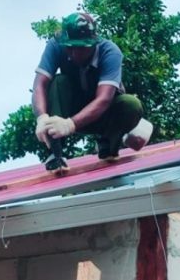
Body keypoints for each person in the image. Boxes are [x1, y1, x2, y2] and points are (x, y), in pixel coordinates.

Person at [32, 12, 153, 172]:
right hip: (71, 110)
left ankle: (108, 145)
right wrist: (42, 117)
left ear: (93, 43)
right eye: (70, 48)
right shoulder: (56, 45)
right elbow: (39, 84)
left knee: (131, 104)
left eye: (81, 48)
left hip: (103, 114)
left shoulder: (110, 52)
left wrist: (70, 124)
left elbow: (103, 99)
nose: (74, 54)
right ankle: (55, 154)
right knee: (58, 82)